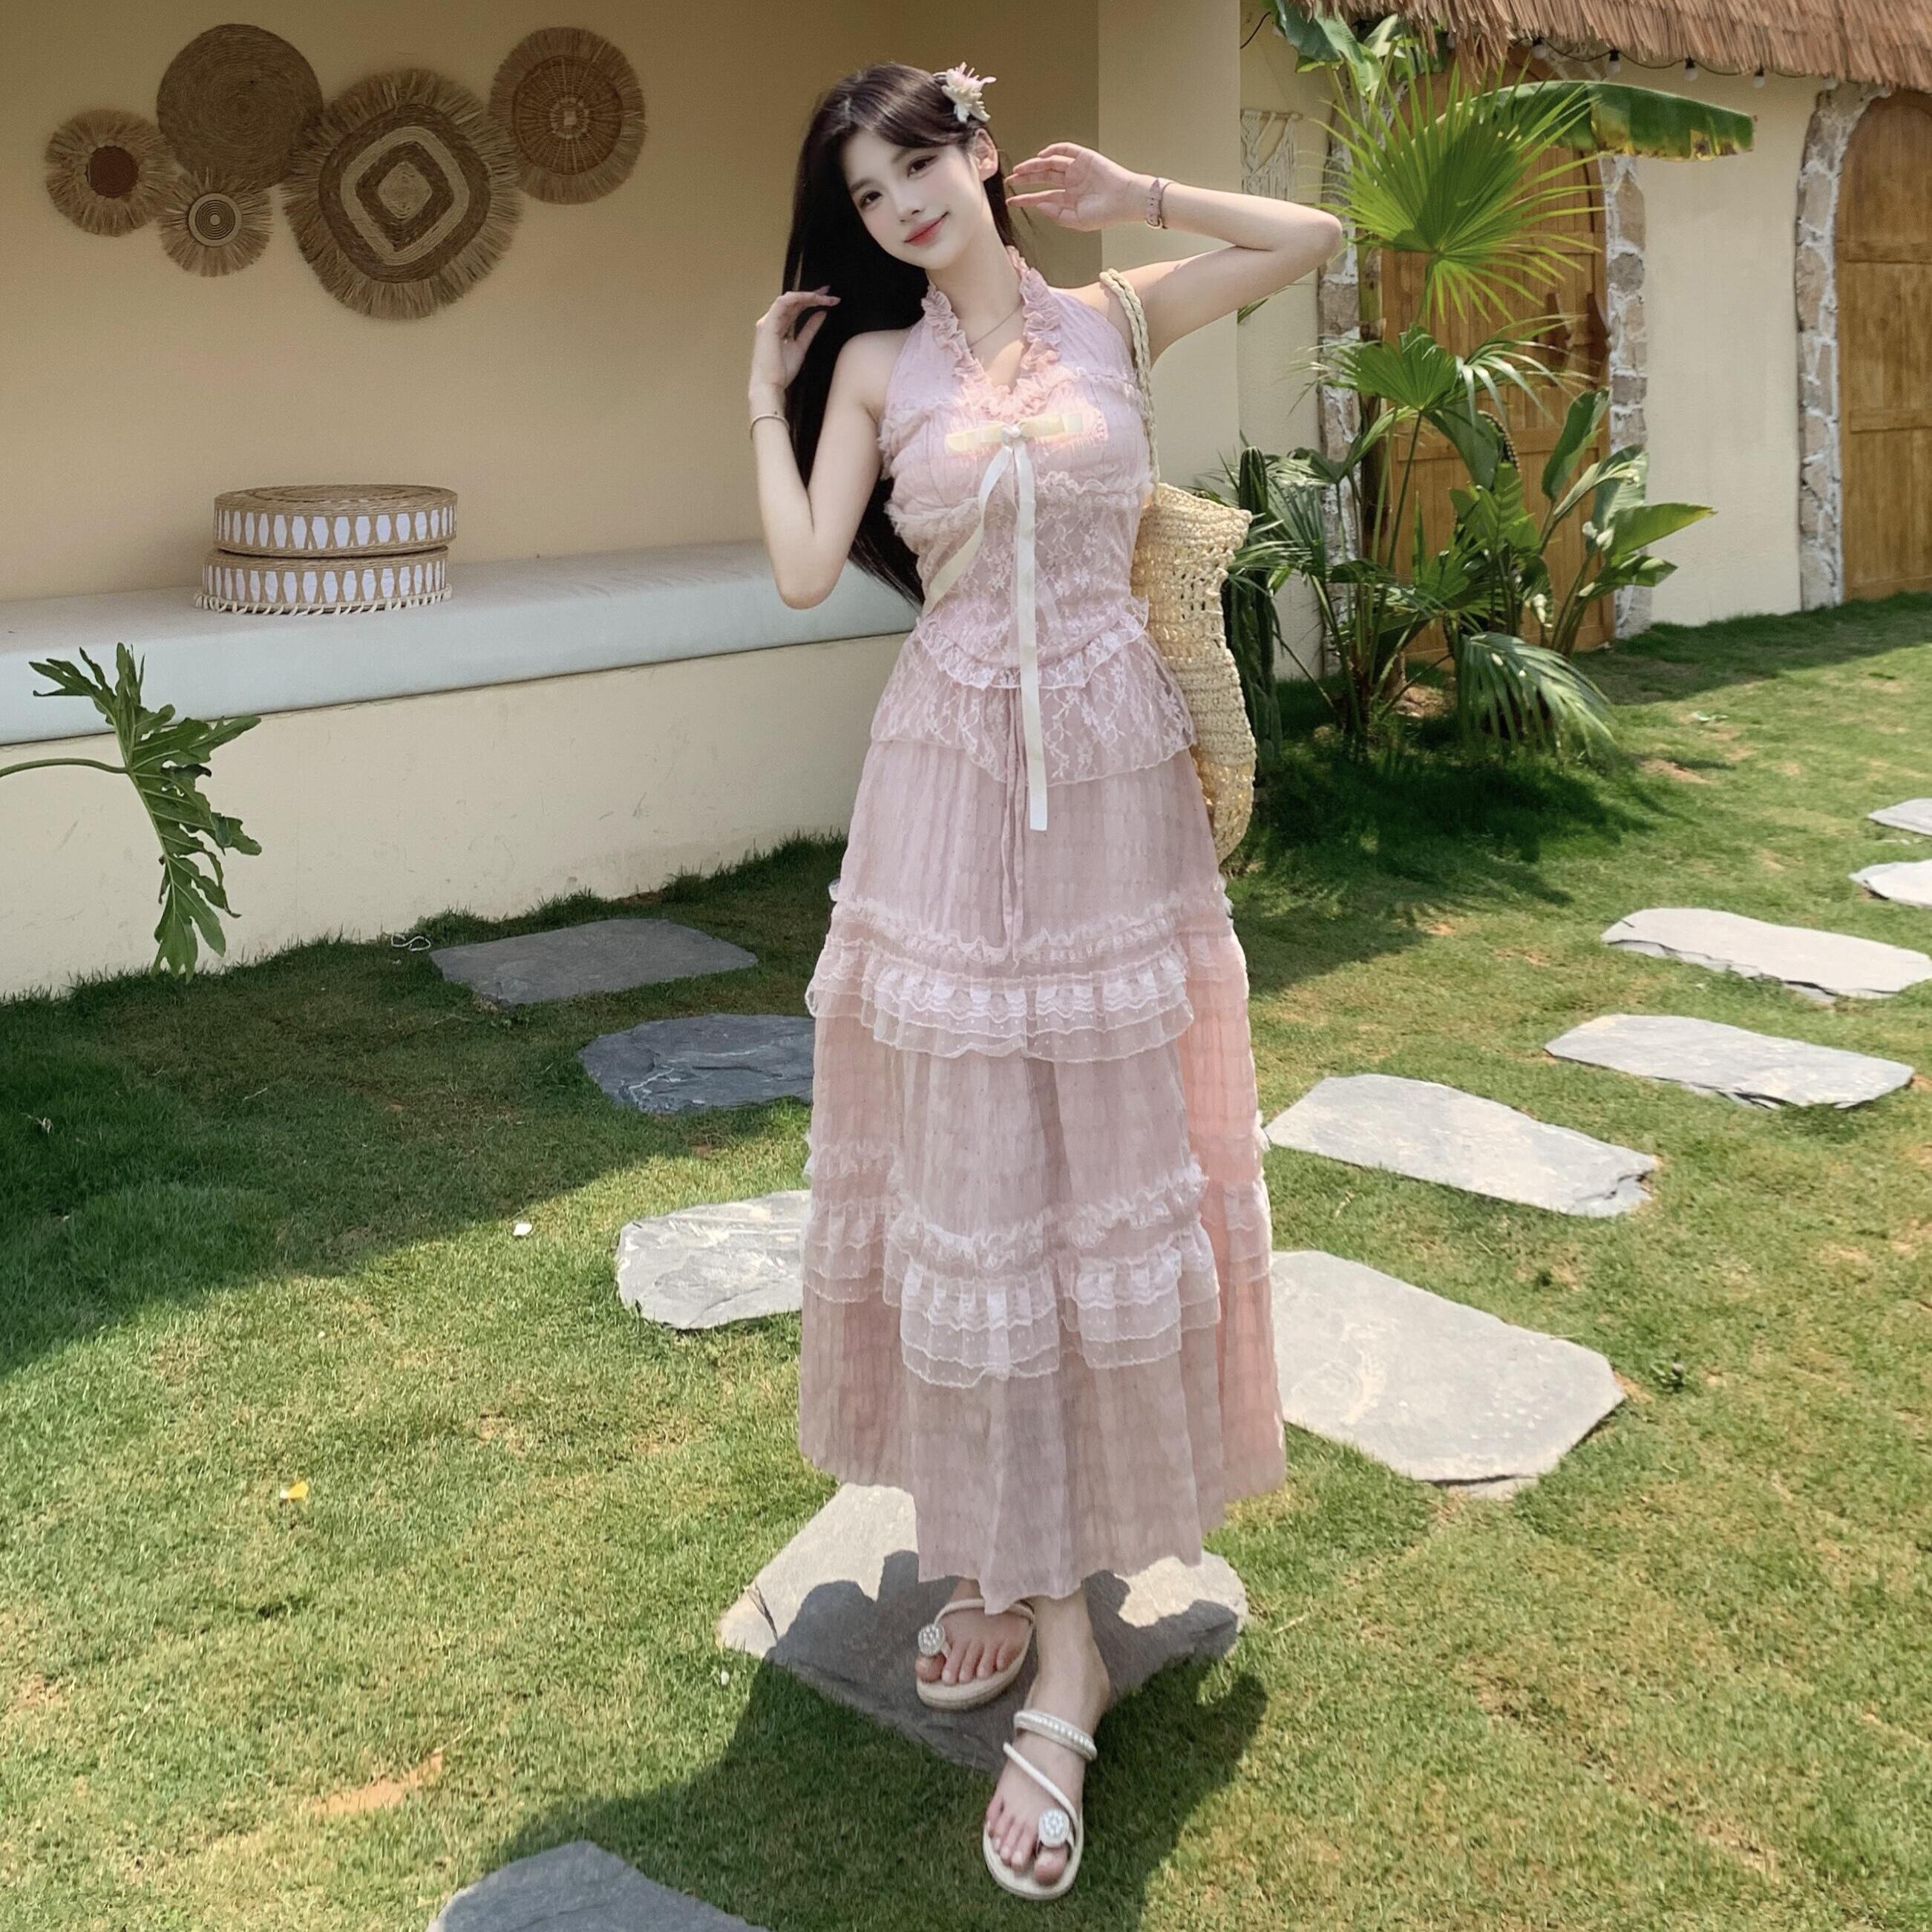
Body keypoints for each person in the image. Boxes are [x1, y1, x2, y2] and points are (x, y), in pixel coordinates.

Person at [747, 59, 1342, 1900]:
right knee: (974, 1184)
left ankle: (1055, 1631)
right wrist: (759, 395)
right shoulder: (872, 365)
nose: (902, 204)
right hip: (945, 783)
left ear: (983, 152)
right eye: (869, 192)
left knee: (1098, 1177)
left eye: (920, 162)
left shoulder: (1111, 317)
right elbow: (801, 570)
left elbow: (1312, 235)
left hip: (1107, 789)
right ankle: (1014, 1577)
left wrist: (1142, 193)